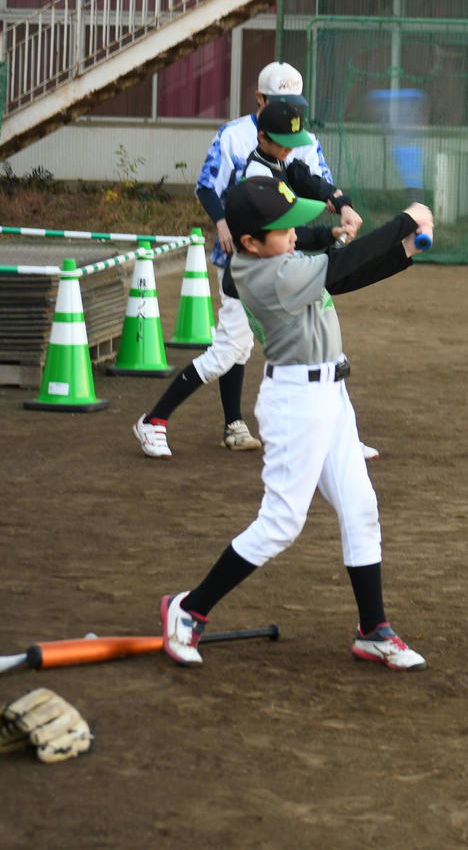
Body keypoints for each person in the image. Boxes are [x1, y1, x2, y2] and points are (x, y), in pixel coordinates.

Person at [159, 176, 435, 671]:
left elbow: (344, 277)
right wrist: (403, 223)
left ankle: (373, 630)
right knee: (282, 522)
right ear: (249, 242)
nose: (295, 235)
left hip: (332, 396)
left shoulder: (276, 258)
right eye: (284, 230)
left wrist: (404, 251)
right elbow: (341, 265)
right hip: (296, 402)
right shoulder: (266, 276)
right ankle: (189, 608)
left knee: (360, 506)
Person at [132, 62, 374, 459]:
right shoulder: (258, 177)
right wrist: (326, 233)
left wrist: (340, 207)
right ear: (261, 124)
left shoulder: (278, 161)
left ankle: (340, 439)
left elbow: (308, 181)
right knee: (229, 352)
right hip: (253, 278)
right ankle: (154, 420)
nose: (291, 147)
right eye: (283, 140)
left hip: (280, 271)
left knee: (326, 348)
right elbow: (276, 229)